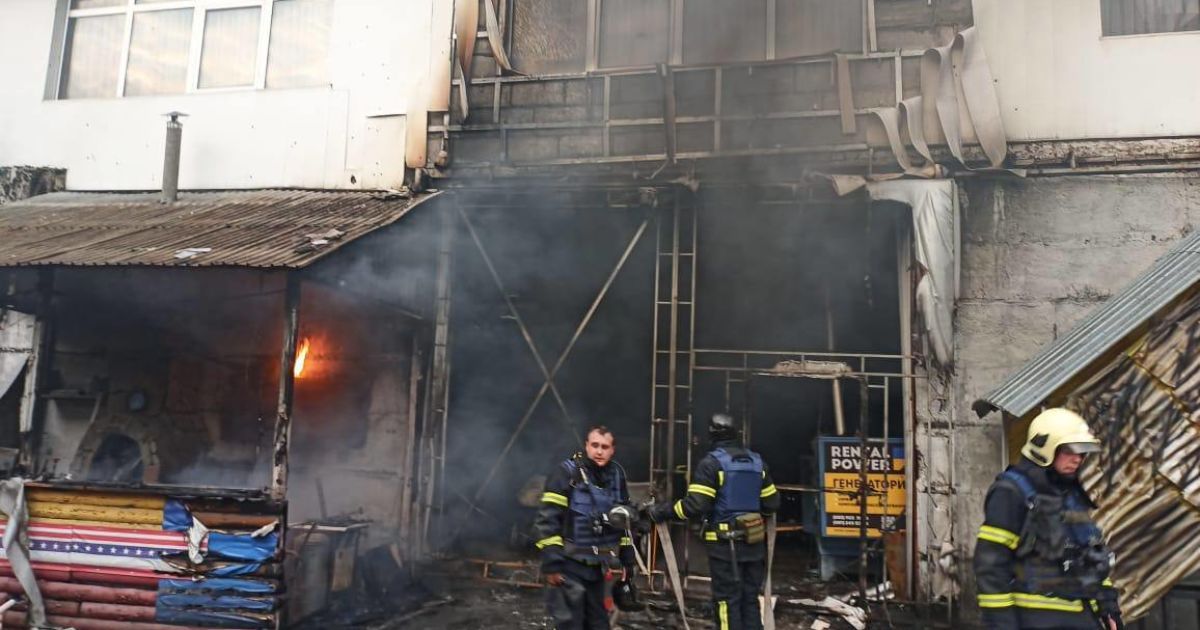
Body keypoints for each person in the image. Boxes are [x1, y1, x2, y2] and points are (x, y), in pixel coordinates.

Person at [974, 407, 1122, 630]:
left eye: (1082, 452)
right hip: (1032, 620)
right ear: (1044, 446)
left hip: (1080, 619)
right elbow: (991, 567)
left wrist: (1107, 607)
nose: (1078, 459)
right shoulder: (1011, 492)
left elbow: (1092, 559)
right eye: (1070, 450)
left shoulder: (1072, 495)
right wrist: (1002, 624)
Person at [649, 413, 780, 630]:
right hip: (754, 546)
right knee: (749, 600)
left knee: (727, 602)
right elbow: (772, 503)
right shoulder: (758, 463)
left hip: (725, 548)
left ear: (711, 434)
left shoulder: (711, 464)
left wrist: (661, 511)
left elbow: (695, 506)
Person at [534, 426, 637, 630]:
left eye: (605, 447)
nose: (599, 451)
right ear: (586, 446)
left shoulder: (616, 475)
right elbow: (547, 520)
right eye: (595, 445)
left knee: (599, 624)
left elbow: (623, 521)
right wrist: (552, 564)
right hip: (568, 566)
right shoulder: (566, 473)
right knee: (571, 624)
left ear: (612, 450)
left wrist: (627, 559)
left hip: (597, 568)